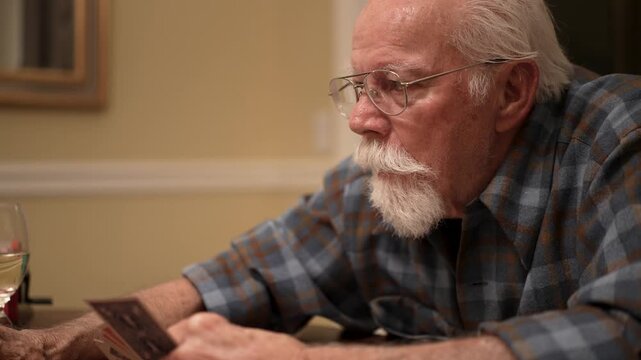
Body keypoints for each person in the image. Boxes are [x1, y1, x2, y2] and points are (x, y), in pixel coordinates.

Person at [2, 0, 641, 358]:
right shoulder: (383, 182)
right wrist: (54, 343)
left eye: (397, 86)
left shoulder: (621, 139)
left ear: (510, 90)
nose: (362, 119)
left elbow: (623, 330)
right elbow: (238, 276)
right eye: (360, 87)